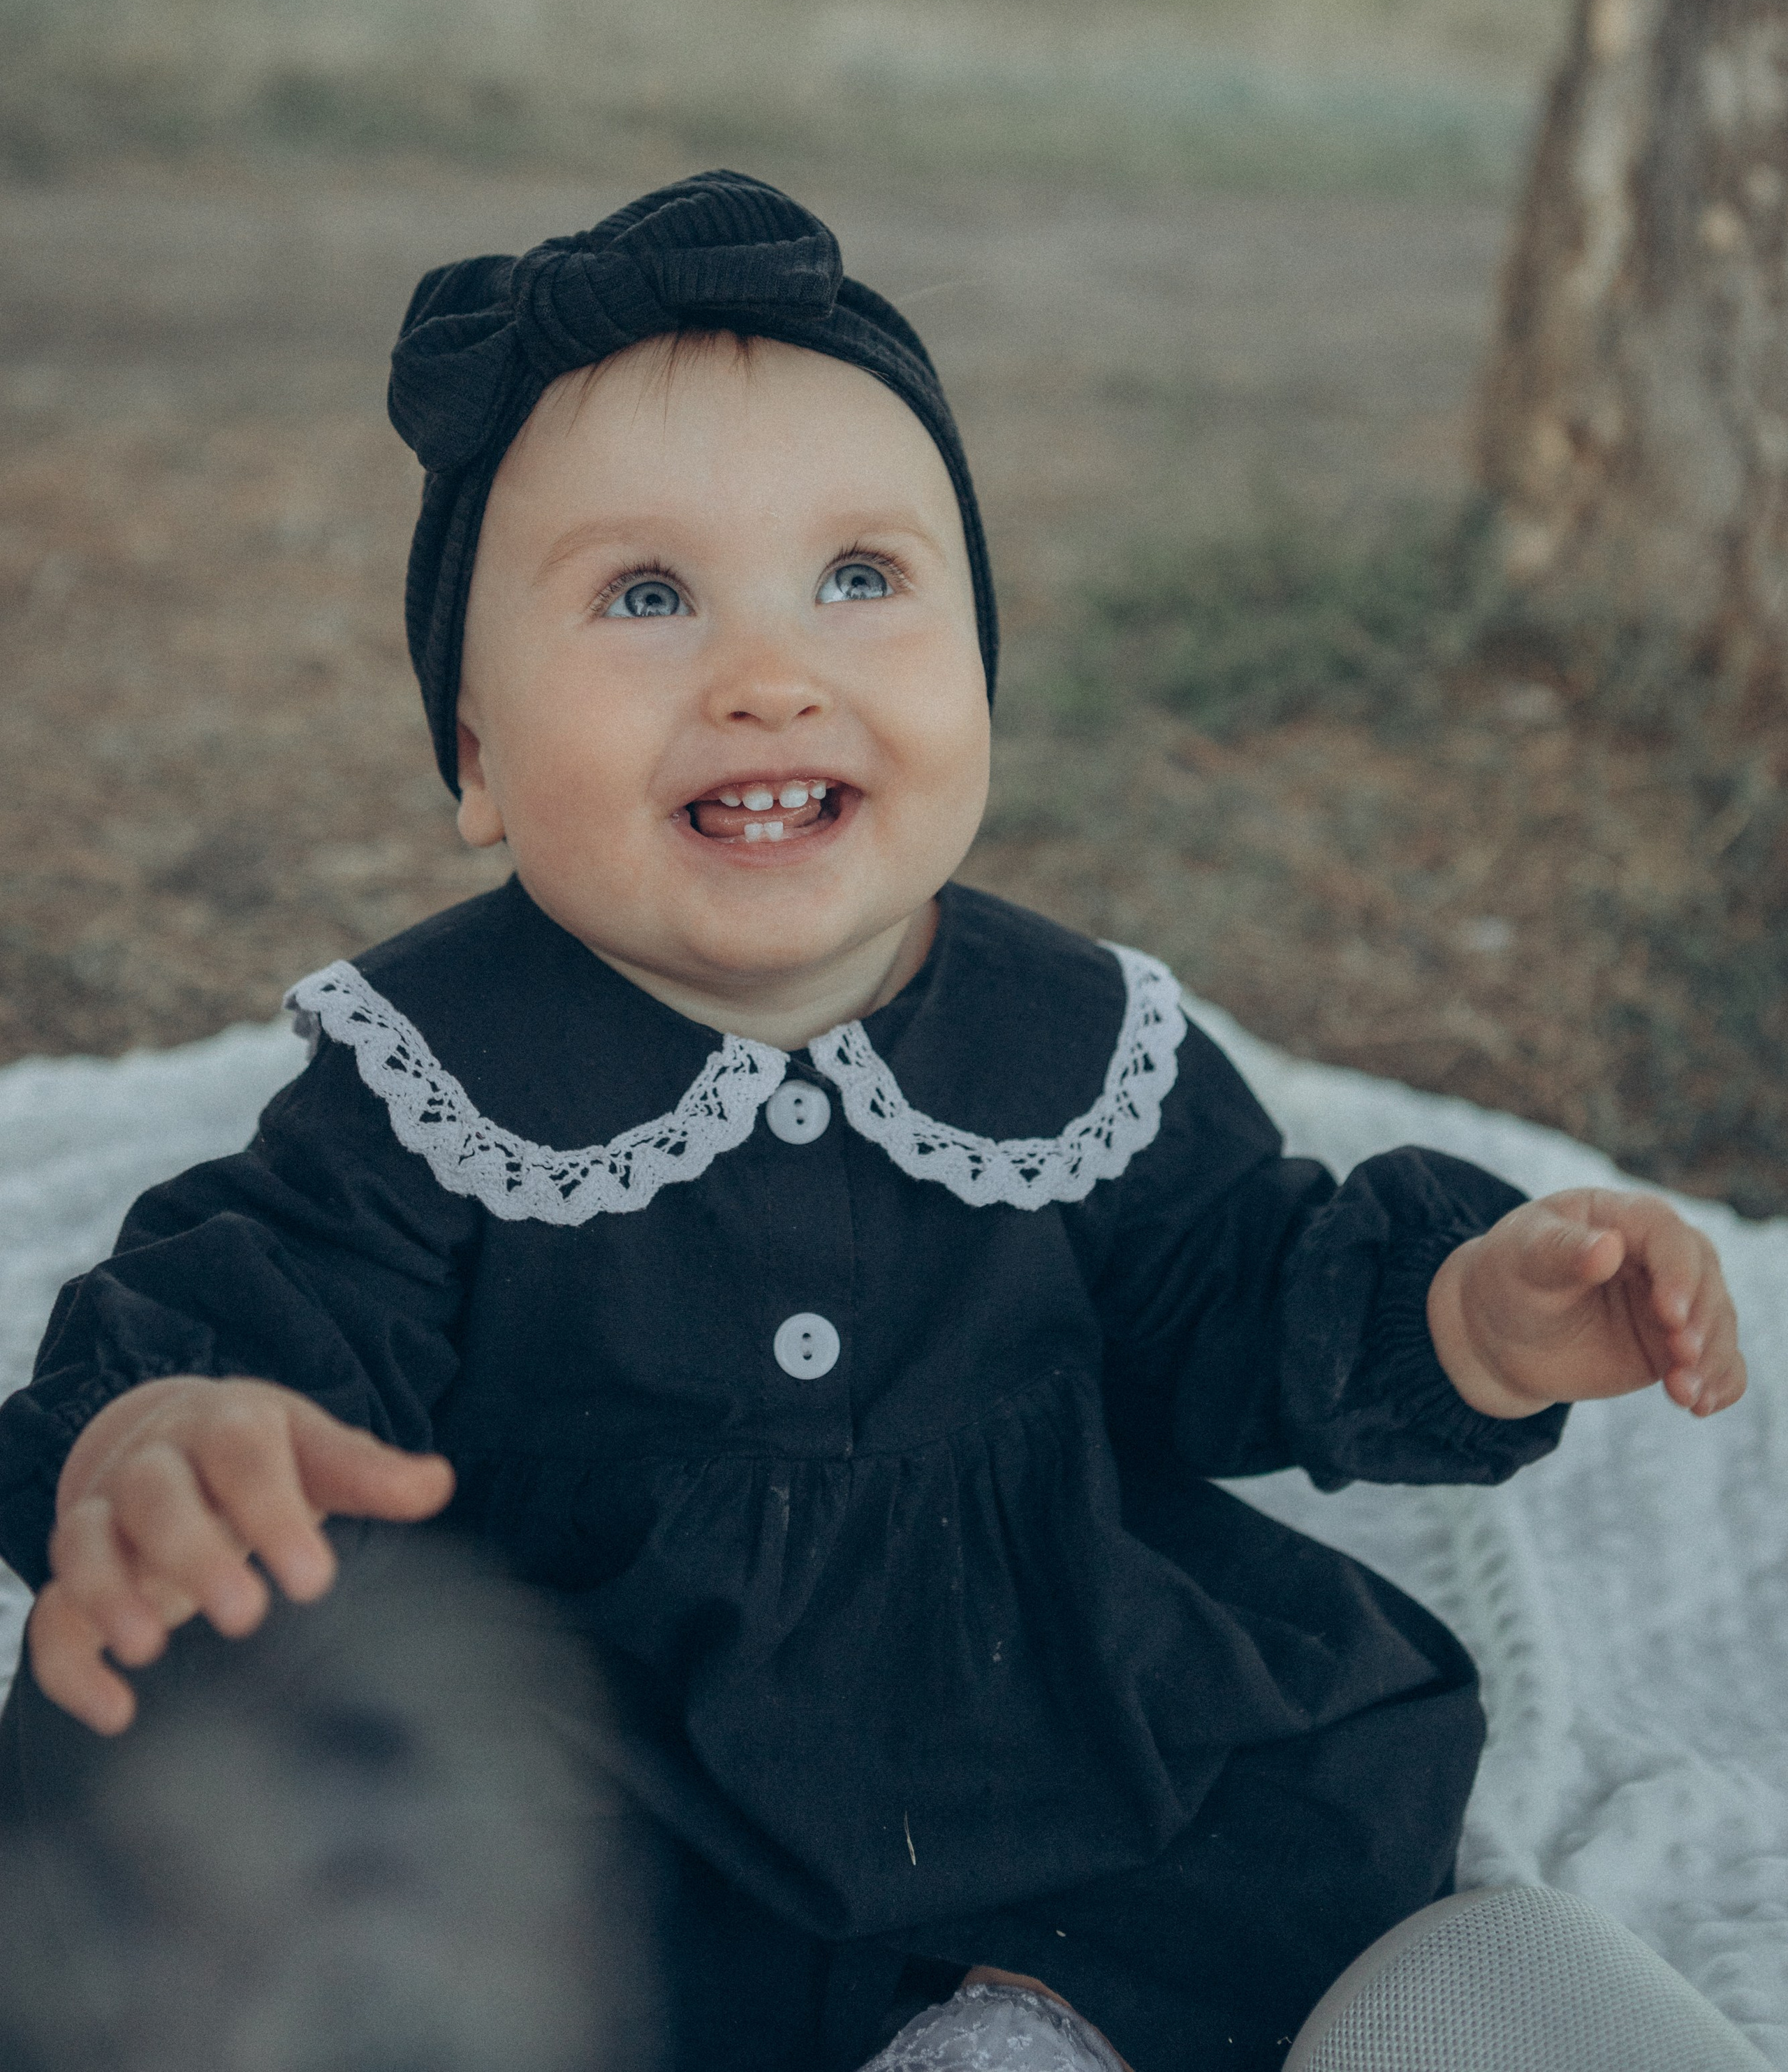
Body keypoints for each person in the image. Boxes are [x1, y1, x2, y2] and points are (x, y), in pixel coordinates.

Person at [0, 171, 1747, 2072]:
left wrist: (1468, 1319)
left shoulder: (1076, 1046)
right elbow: (265, 1306)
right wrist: (169, 1437)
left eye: (861, 579)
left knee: (1313, 1825)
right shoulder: (435, 1082)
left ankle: (1023, 2034)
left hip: (1057, 1718)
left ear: (979, 673)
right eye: (647, 597)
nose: (769, 674)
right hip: (621, 1777)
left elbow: (1241, 1293)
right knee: (322, 1846)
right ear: (482, 760)